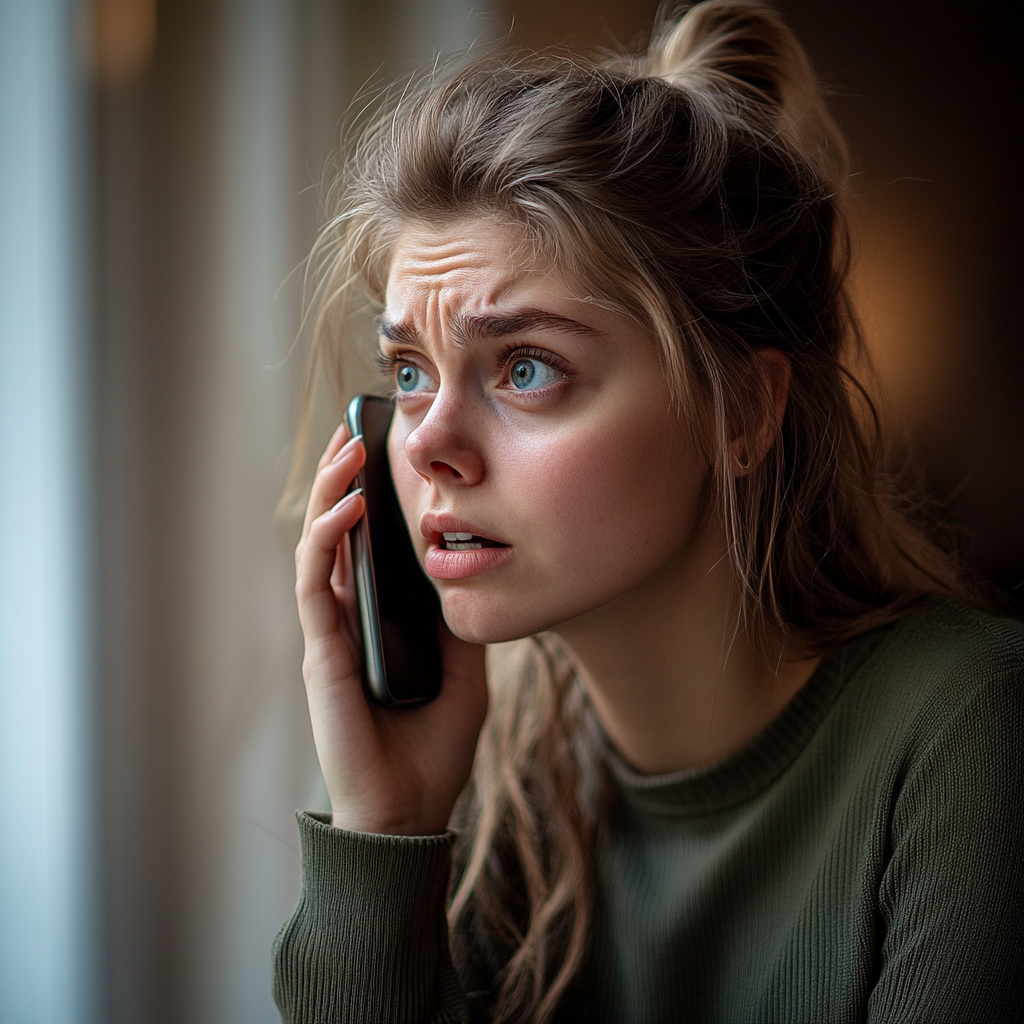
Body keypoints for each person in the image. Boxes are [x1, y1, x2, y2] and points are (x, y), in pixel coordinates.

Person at [273, 2, 1024, 1021]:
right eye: (408, 371)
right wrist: (386, 829)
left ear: (743, 411)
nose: (426, 444)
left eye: (525, 367)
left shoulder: (973, 730)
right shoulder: (508, 796)